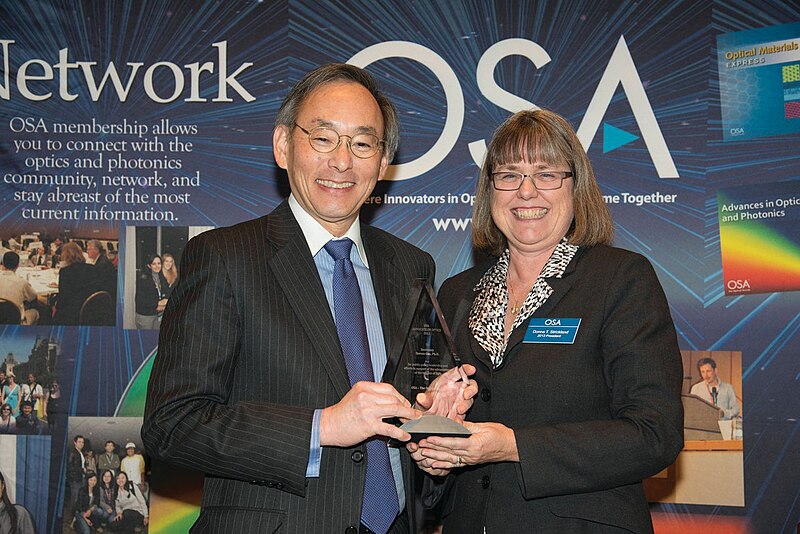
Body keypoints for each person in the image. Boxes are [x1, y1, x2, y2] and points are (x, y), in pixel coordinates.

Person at [142, 63, 476, 534]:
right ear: (283, 145)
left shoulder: (411, 267)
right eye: (323, 138)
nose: (342, 161)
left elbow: (401, 432)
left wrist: (434, 437)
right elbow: (171, 425)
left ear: (383, 164)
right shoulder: (223, 256)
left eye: (362, 144)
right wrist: (322, 428)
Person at [410, 110, 684, 533]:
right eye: (509, 175)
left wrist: (512, 446)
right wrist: (435, 445)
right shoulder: (456, 291)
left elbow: (654, 434)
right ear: (490, 191)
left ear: (576, 187)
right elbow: (451, 437)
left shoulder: (620, 278)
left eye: (546, 174)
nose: (526, 191)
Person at [54, 242, 97, 325]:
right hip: (90, 310)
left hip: (70, 314)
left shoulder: (65, 272)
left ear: (65, 255)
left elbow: (63, 297)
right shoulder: (92, 268)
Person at [0, 252, 39, 325]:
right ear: (18, 265)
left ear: (3, 264)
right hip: (16, 321)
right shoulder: (22, 281)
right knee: (35, 312)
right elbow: (33, 296)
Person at [134, 254, 167, 329]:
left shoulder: (160, 277)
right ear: (149, 266)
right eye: (154, 264)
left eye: (159, 263)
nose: (157, 266)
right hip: (145, 316)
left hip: (156, 314)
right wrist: (158, 303)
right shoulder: (143, 279)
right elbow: (140, 300)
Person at [68, 435, 87, 511]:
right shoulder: (73, 453)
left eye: (83, 442)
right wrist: (82, 469)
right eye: (79, 442)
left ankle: (76, 515)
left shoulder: (80, 453)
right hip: (75, 479)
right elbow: (70, 467)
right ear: (74, 442)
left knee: (80, 498)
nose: (81, 444)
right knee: (74, 498)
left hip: (81, 478)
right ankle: (71, 516)